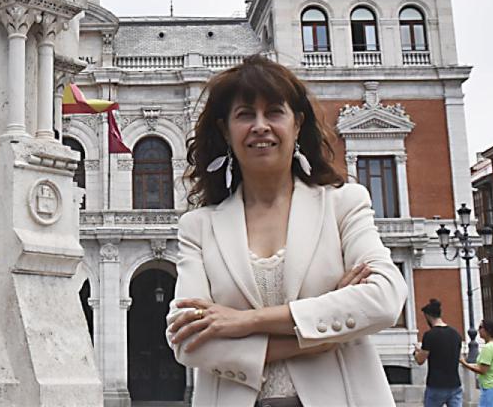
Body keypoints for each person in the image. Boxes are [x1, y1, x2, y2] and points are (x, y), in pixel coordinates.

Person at [165, 55, 408, 406]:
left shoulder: (343, 205)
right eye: (245, 115)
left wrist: (246, 322)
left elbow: (385, 298)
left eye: (274, 112)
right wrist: (321, 336)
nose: (260, 126)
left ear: (297, 124)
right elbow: (187, 340)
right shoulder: (199, 227)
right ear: (225, 131)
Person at [414, 299, 463, 407]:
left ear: (427, 316)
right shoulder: (456, 334)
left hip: (436, 385)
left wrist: (417, 351)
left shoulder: (430, 335)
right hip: (455, 384)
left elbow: (420, 360)